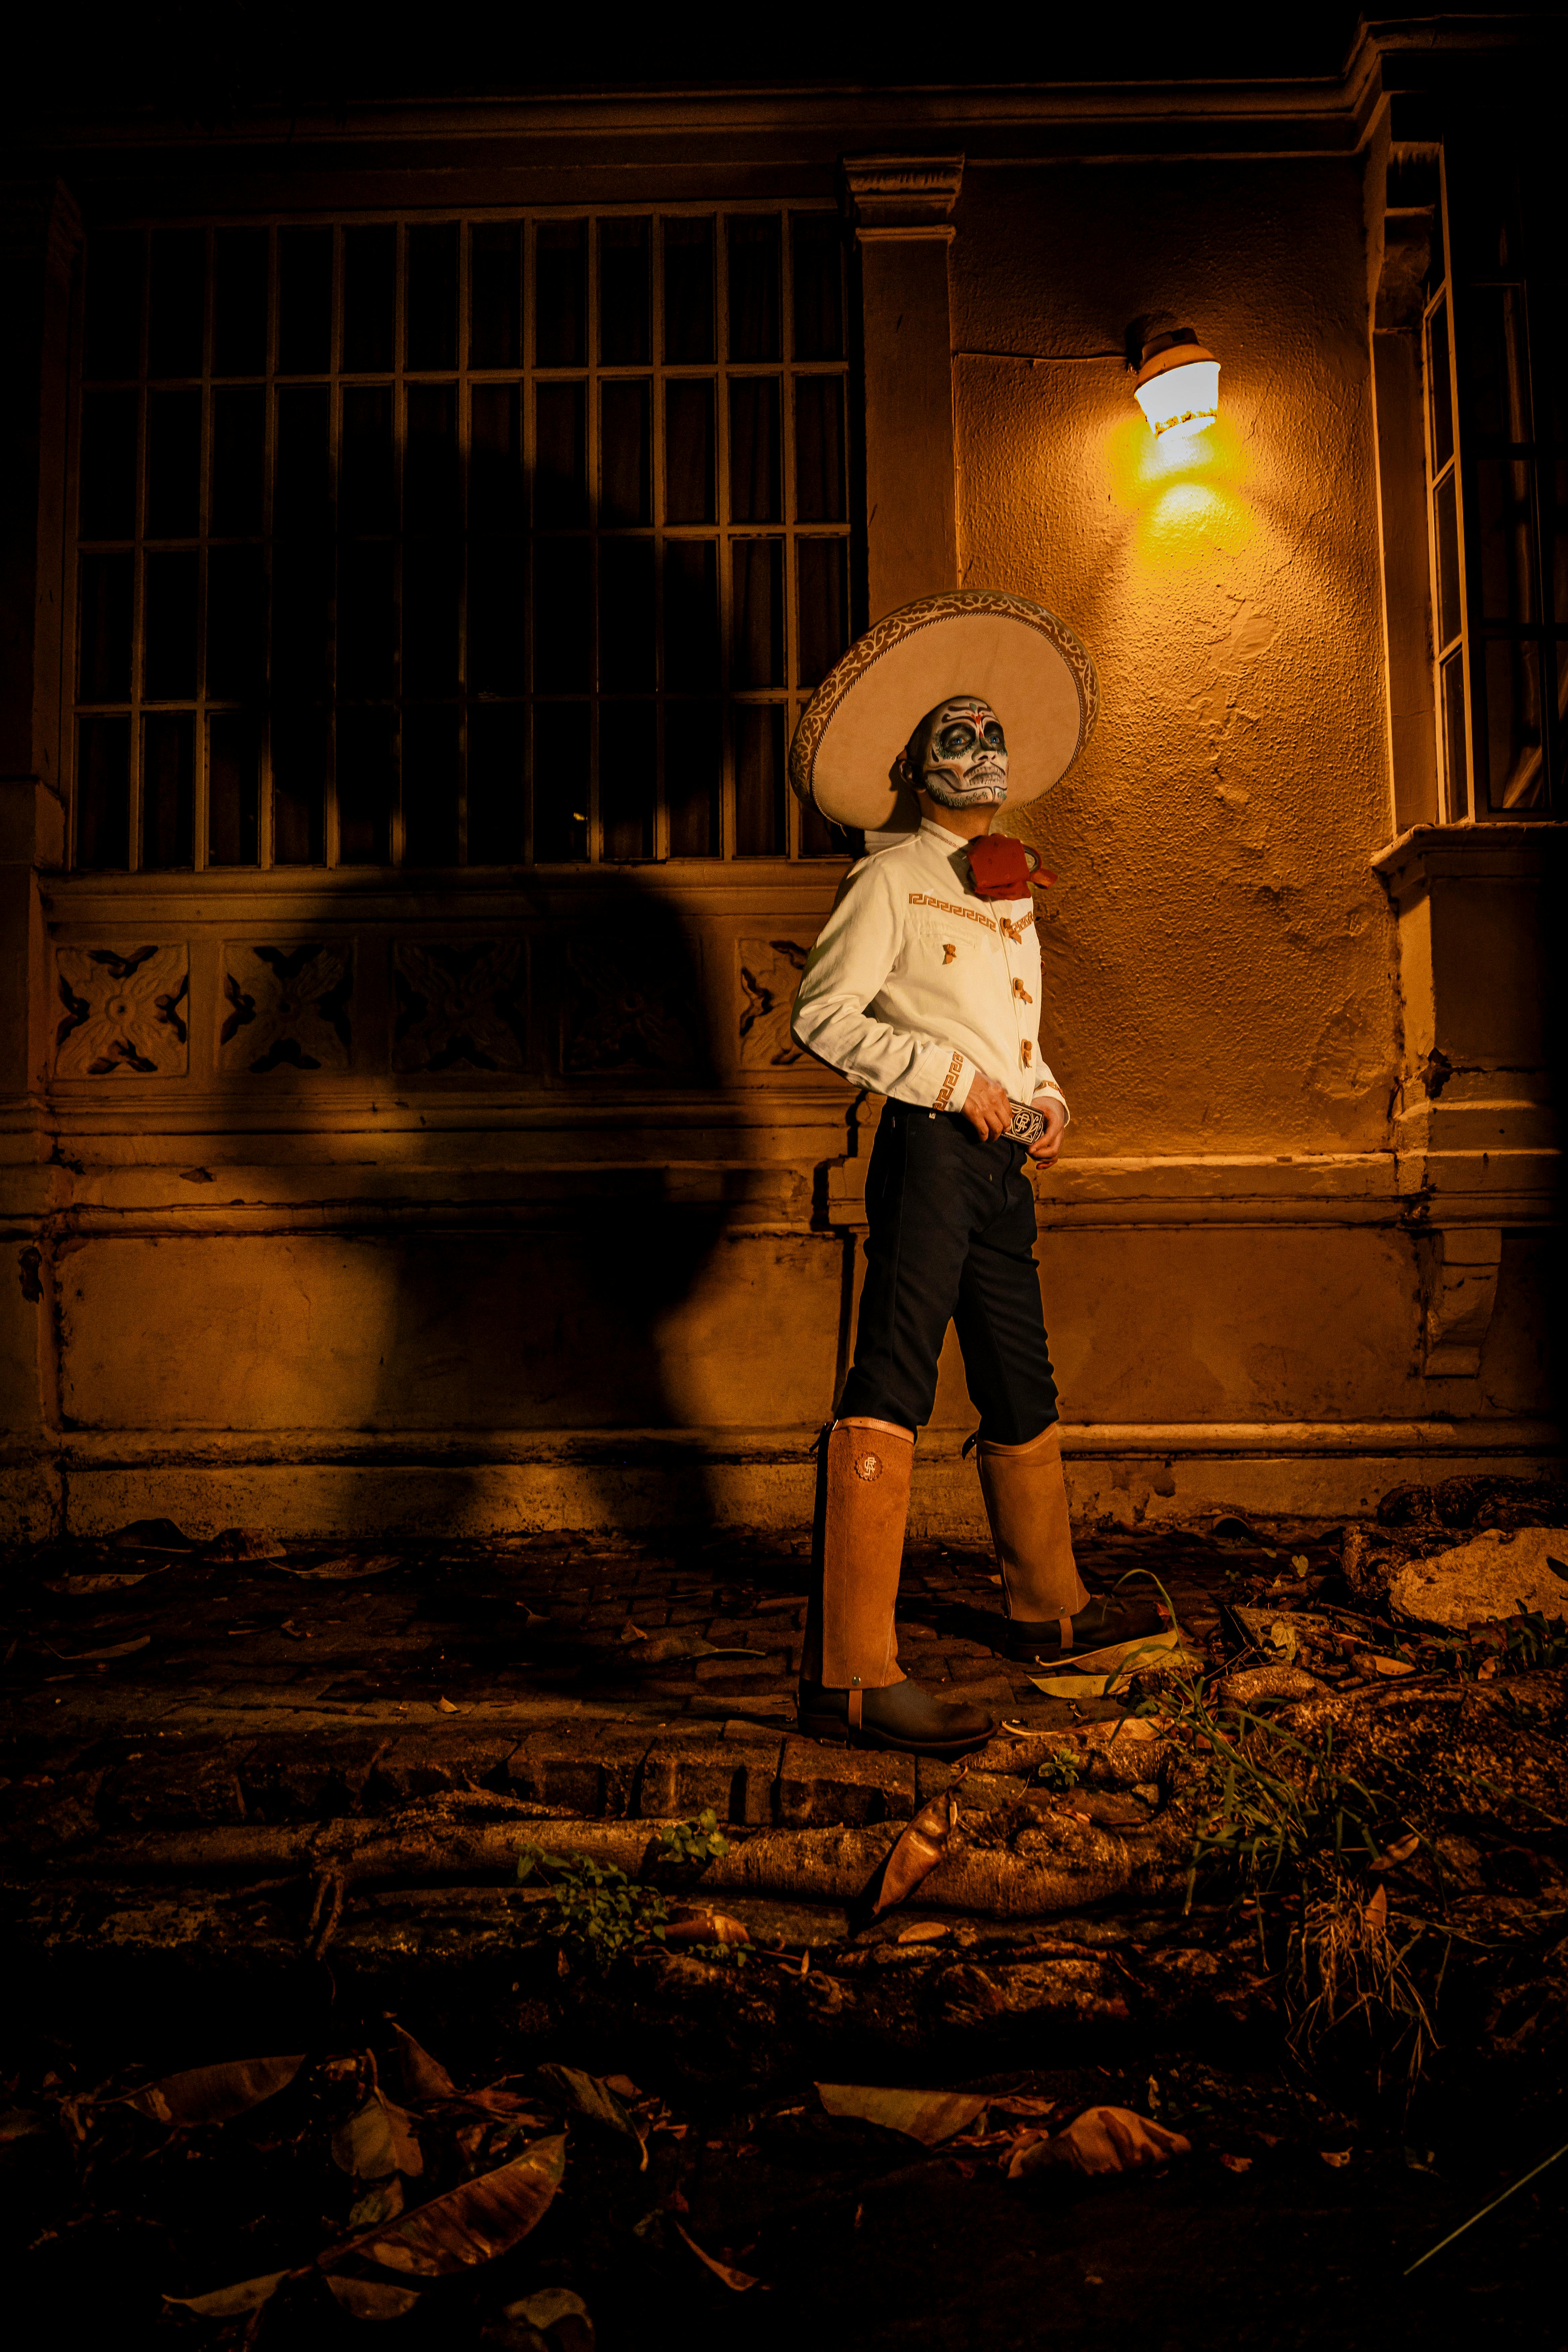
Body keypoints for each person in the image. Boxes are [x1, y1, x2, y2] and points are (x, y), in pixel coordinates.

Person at [786, 590, 1156, 1758]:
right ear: (914, 765)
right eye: (959, 734)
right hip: (933, 1153)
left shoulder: (1006, 891)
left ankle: (1050, 1612)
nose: (983, 751)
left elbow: (1016, 1036)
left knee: (1018, 1368)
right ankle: (851, 1674)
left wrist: (1045, 1096)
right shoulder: (890, 880)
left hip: (1004, 1161)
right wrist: (949, 1081)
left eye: (995, 735)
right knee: (895, 1370)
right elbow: (821, 1016)